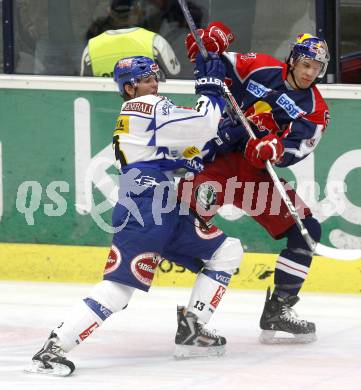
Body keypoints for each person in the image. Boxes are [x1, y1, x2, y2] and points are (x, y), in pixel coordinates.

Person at [26, 54, 243, 376]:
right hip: (145, 206)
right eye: (146, 79)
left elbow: (183, 148)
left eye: (155, 77)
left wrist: (206, 146)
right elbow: (200, 126)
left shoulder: (146, 113)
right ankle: (54, 347)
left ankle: (192, 329)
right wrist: (210, 90)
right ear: (129, 87)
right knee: (120, 287)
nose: (154, 84)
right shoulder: (144, 106)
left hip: (164, 204)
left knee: (226, 251)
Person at [179, 26, 331, 344]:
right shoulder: (260, 66)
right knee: (180, 218)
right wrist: (208, 46)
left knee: (306, 232)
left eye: (316, 68)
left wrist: (275, 149)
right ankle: (144, 276)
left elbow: (300, 146)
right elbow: (214, 62)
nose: (309, 73)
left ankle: (280, 308)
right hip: (218, 161)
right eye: (306, 64)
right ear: (292, 60)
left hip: (256, 176)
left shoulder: (315, 108)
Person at [80, 0, 180, 77]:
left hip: (105, 104)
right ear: (137, 11)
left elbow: (83, 89)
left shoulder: (90, 49)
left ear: (110, 12)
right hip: (148, 104)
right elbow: (176, 81)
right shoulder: (155, 42)